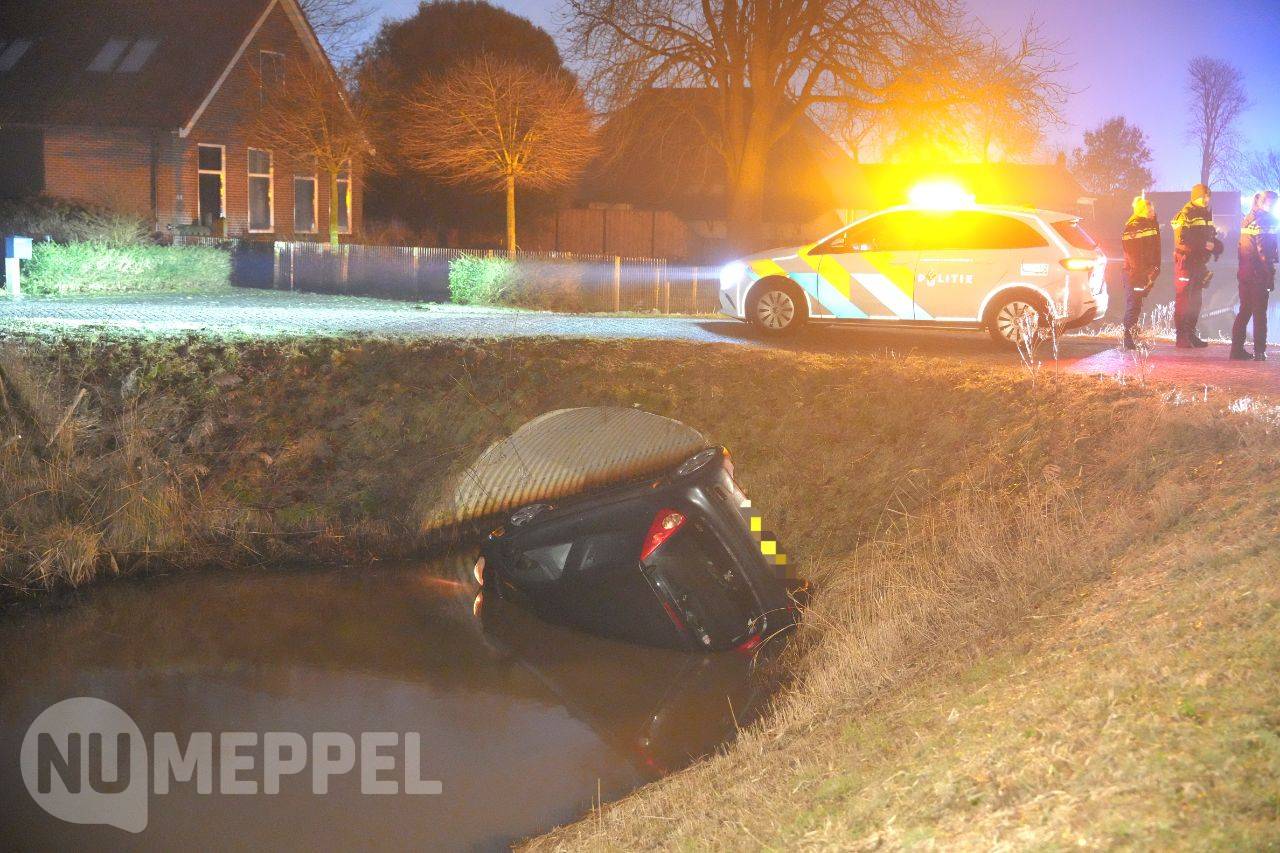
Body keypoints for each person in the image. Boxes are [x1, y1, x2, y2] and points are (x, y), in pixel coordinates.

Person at [1171, 183, 1224, 348]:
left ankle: (1191, 333)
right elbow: (1182, 239)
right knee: (1183, 300)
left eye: (1208, 196)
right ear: (1195, 197)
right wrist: (1205, 244)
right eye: (1203, 196)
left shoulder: (1206, 214)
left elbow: (1210, 236)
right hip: (1185, 262)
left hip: (1199, 263)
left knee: (1196, 301)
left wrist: (1216, 246)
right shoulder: (1185, 214)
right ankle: (1181, 337)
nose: (1207, 199)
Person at [1229, 190, 1279, 361]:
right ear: (1268, 202)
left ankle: (1236, 350)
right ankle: (1259, 351)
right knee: (1260, 313)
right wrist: (1270, 275)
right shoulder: (1266, 220)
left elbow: (1242, 247)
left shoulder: (1248, 218)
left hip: (1245, 272)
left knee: (1244, 311)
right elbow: (1264, 251)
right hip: (1259, 274)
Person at [1120, 194, 1161, 350]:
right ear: (1143, 211)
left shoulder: (1146, 225)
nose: (1153, 212)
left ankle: (1132, 336)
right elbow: (1135, 256)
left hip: (1141, 273)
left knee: (1136, 305)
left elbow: (1152, 250)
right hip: (1134, 274)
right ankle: (1128, 339)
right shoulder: (1134, 227)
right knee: (1133, 305)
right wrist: (1142, 276)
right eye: (1150, 210)